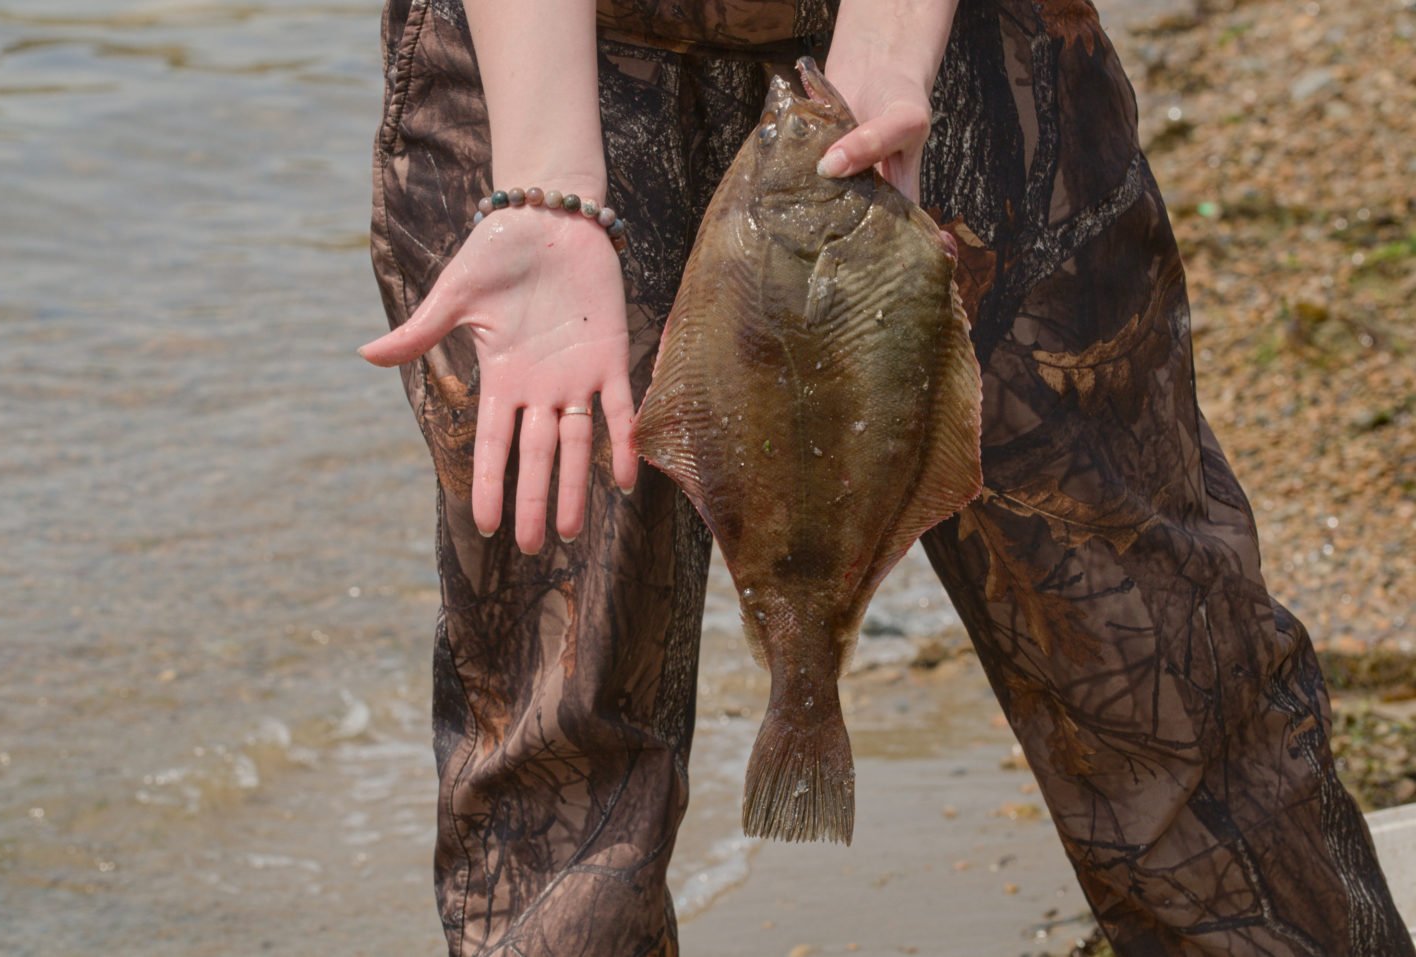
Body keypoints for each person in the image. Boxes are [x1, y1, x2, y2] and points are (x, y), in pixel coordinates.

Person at [361, 0, 1413, 954]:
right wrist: (550, 180)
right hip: (533, 57)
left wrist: (891, 41)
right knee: (557, 734)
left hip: (952, 46)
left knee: (1167, 673)